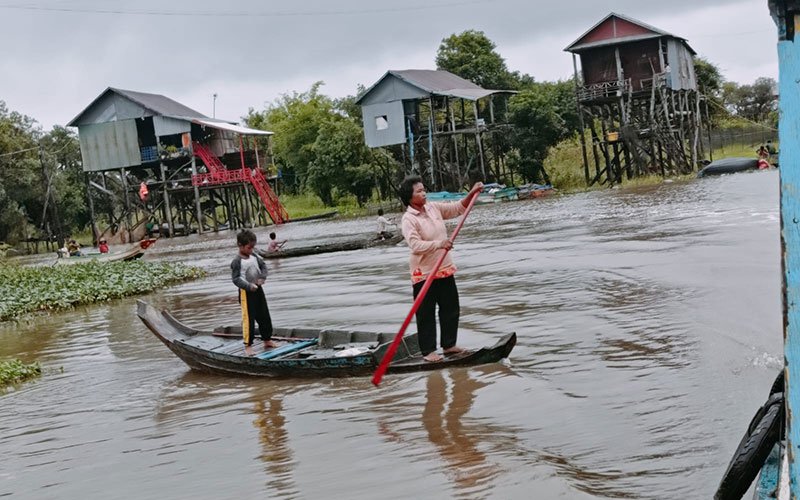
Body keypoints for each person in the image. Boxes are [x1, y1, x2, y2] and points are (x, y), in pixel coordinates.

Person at [399, 175, 484, 362]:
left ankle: (449, 345)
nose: (424, 193)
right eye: (419, 191)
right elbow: (415, 245)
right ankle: (428, 351)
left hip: (444, 268)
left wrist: (471, 193)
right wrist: (439, 244)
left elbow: (457, 208)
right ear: (409, 197)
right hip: (424, 273)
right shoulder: (408, 219)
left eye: (424, 190)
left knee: (450, 308)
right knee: (426, 313)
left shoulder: (433, 208)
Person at [231, 230, 276, 354]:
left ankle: (267, 339)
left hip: (258, 289)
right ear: (240, 245)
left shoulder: (254, 256)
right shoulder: (237, 261)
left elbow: (263, 266)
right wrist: (248, 286)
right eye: (249, 248)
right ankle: (248, 345)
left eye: (253, 247)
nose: (251, 250)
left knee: (264, 315)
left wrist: (262, 277)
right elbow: (236, 279)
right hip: (246, 293)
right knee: (249, 319)